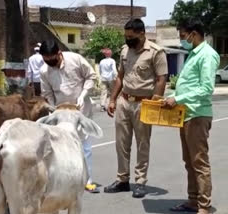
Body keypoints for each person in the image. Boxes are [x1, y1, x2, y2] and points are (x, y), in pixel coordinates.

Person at [104, 18, 168, 198]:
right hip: (124, 101)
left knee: (142, 144)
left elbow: (161, 79)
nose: (128, 40)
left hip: (144, 103)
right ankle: (122, 179)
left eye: (131, 36)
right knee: (121, 143)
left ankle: (140, 182)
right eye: (126, 36)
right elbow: (120, 76)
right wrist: (112, 99)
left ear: (142, 33)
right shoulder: (125, 51)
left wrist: (155, 102)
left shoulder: (156, 52)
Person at [164, 18, 219, 214]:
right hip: (186, 114)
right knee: (189, 162)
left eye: (183, 36)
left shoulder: (207, 55)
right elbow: (189, 84)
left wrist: (178, 97)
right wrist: (172, 97)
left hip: (197, 114)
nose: (182, 40)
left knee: (199, 162)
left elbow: (206, 88)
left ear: (193, 34)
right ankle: (193, 200)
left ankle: (204, 205)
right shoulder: (192, 54)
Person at [39, 40, 100, 193]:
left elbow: (91, 77)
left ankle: (87, 180)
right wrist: (53, 109)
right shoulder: (44, 71)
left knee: (84, 145)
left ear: (59, 54)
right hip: (59, 113)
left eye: (52, 60)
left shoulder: (75, 60)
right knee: (59, 146)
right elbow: (47, 93)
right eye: (46, 61)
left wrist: (83, 95)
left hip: (81, 109)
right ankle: (63, 179)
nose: (50, 63)